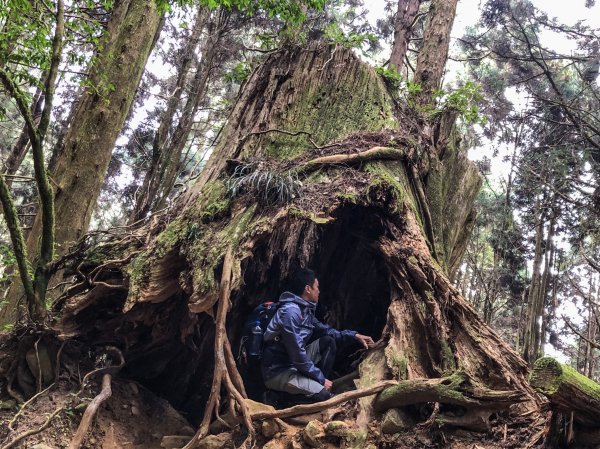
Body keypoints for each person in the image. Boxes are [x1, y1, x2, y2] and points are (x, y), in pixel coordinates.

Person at [261, 268, 374, 404]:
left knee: (328, 342)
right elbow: (297, 353)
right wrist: (320, 378)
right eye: (317, 287)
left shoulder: (305, 311)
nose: (319, 291)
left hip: (293, 363)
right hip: (278, 371)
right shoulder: (290, 312)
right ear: (308, 289)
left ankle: (318, 386)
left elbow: (327, 331)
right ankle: (279, 399)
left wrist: (354, 335)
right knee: (324, 397)